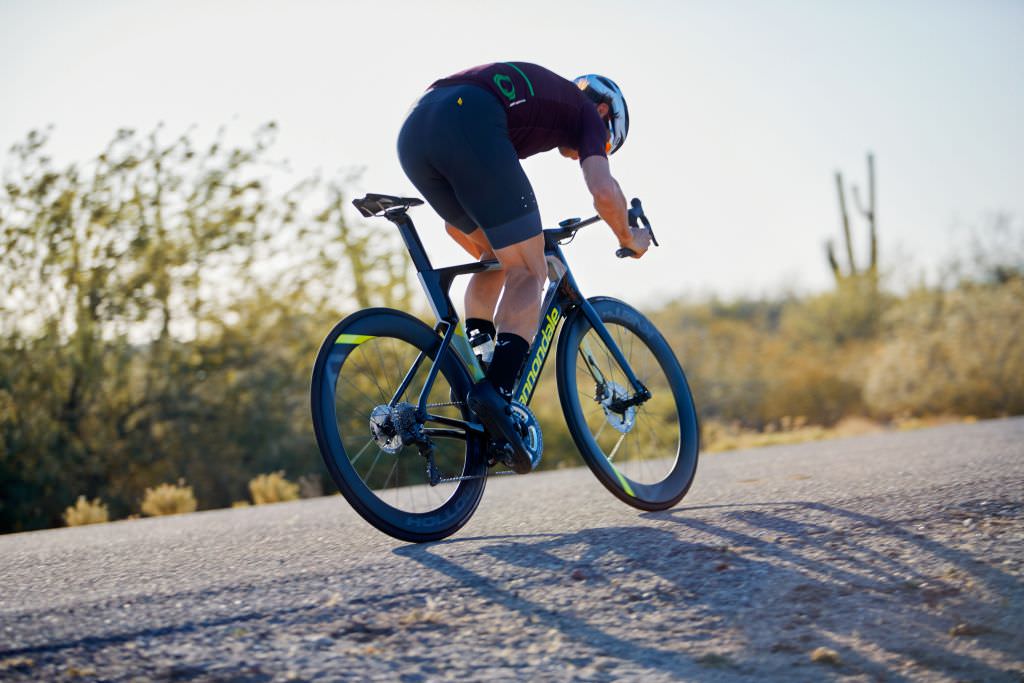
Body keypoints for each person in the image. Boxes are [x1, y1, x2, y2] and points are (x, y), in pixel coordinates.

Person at [397, 62, 651, 474]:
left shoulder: (533, 114)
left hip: (415, 133)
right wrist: (629, 237)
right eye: (606, 145)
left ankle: (482, 370)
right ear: (606, 113)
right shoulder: (587, 114)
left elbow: (457, 223)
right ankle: (496, 393)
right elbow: (604, 191)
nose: (595, 150)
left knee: (495, 261)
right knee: (528, 273)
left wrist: (517, 246)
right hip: (467, 117)